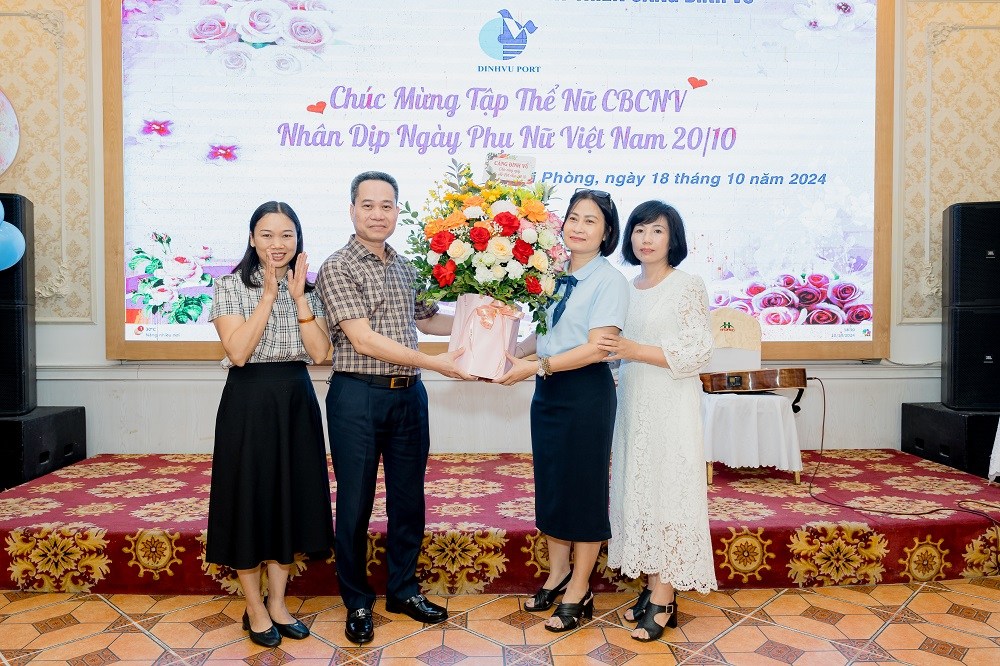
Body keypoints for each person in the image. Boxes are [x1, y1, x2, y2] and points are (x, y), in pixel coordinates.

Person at [315, 171, 473, 645]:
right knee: (356, 503)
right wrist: (434, 362)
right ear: (352, 210)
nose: (377, 214)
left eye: (387, 205)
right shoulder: (337, 266)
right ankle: (357, 601)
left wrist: (488, 318)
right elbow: (362, 338)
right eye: (368, 205)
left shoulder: (405, 266)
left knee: (409, 500)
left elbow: (430, 320)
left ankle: (403, 590)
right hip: (357, 397)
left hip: (409, 397)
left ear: (397, 211)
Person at [496, 188, 629, 632]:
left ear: (606, 232)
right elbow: (545, 334)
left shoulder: (609, 281)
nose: (579, 227)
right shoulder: (551, 273)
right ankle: (557, 575)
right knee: (552, 484)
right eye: (573, 217)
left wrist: (538, 365)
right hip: (548, 390)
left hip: (585, 392)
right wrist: (509, 353)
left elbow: (597, 348)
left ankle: (580, 588)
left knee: (583, 489)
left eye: (591, 221)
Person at [207, 201, 334, 648]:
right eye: (266, 234)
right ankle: (255, 608)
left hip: (296, 399)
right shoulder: (228, 286)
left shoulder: (310, 290)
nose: (277, 244)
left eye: (286, 235)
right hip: (248, 401)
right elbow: (239, 352)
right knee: (249, 500)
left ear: (297, 239)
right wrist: (268, 296)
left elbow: (319, 353)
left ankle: (278, 603)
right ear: (251, 238)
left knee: (288, 501)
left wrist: (297, 298)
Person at [599, 200, 718, 642]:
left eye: (657, 231)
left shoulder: (687, 285)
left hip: (671, 400)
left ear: (673, 239)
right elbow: (613, 348)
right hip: (633, 400)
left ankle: (665, 596)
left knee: (669, 491)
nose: (646, 239)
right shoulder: (626, 287)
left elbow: (698, 351)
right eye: (639, 230)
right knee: (641, 491)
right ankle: (651, 586)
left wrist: (634, 350)